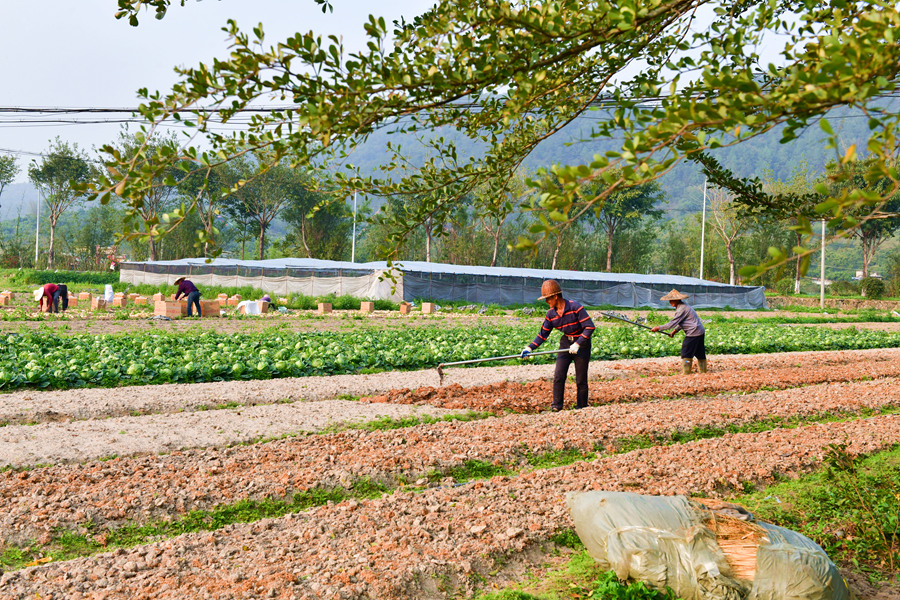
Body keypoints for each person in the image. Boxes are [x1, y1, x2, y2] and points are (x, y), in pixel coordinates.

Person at [521, 279, 596, 411]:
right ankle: (556, 406)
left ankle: (582, 408)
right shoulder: (551, 314)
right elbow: (543, 334)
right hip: (566, 342)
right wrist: (529, 347)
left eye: (548, 298)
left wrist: (578, 343)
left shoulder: (575, 307)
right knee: (559, 376)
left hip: (582, 344)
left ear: (555, 296)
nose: (546, 302)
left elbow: (589, 327)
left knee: (581, 379)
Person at [651, 289, 707, 374]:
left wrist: (658, 328)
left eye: (672, 300)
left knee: (686, 353)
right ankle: (703, 372)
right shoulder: (683, 306)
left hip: (694, 332)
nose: (670, 302)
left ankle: (686, 372)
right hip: (699, 331)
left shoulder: (682, 309)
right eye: (670, 300)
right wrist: (674, 331)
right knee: (699, 352)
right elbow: (682, 322)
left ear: (677, 300)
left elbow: (672, 323)